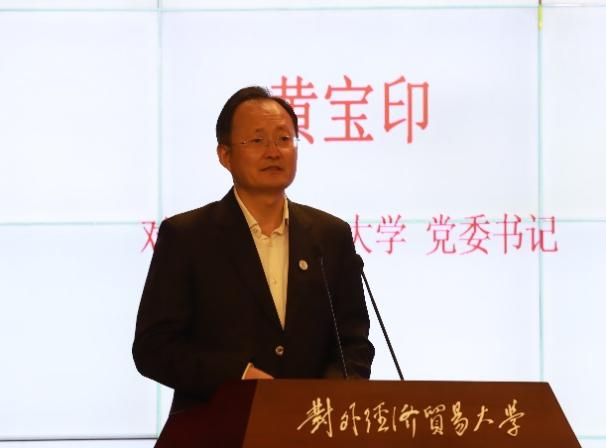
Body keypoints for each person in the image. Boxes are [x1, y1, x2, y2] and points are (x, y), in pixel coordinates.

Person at [132, 86, 374, 413]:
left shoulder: (330, 236)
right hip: (217, 426)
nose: (273, 151)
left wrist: (322, 401)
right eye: (257, 140)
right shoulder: (188, 237)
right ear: (225, 155)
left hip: (311, 426)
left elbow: (353, 345)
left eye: (284, 139)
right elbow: (154, 348)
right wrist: (238, 377)